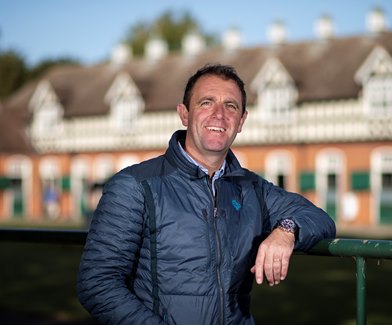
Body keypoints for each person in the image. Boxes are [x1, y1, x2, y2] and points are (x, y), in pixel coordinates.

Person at [77, 64, 336, 324]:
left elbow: (319, 218)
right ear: (184, 114)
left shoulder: (252, 188)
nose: (219, 115)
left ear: (242, 121)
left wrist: (286, 231)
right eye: (206, 102)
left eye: (231, 106)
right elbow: (97, 283)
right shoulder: (135, 186)